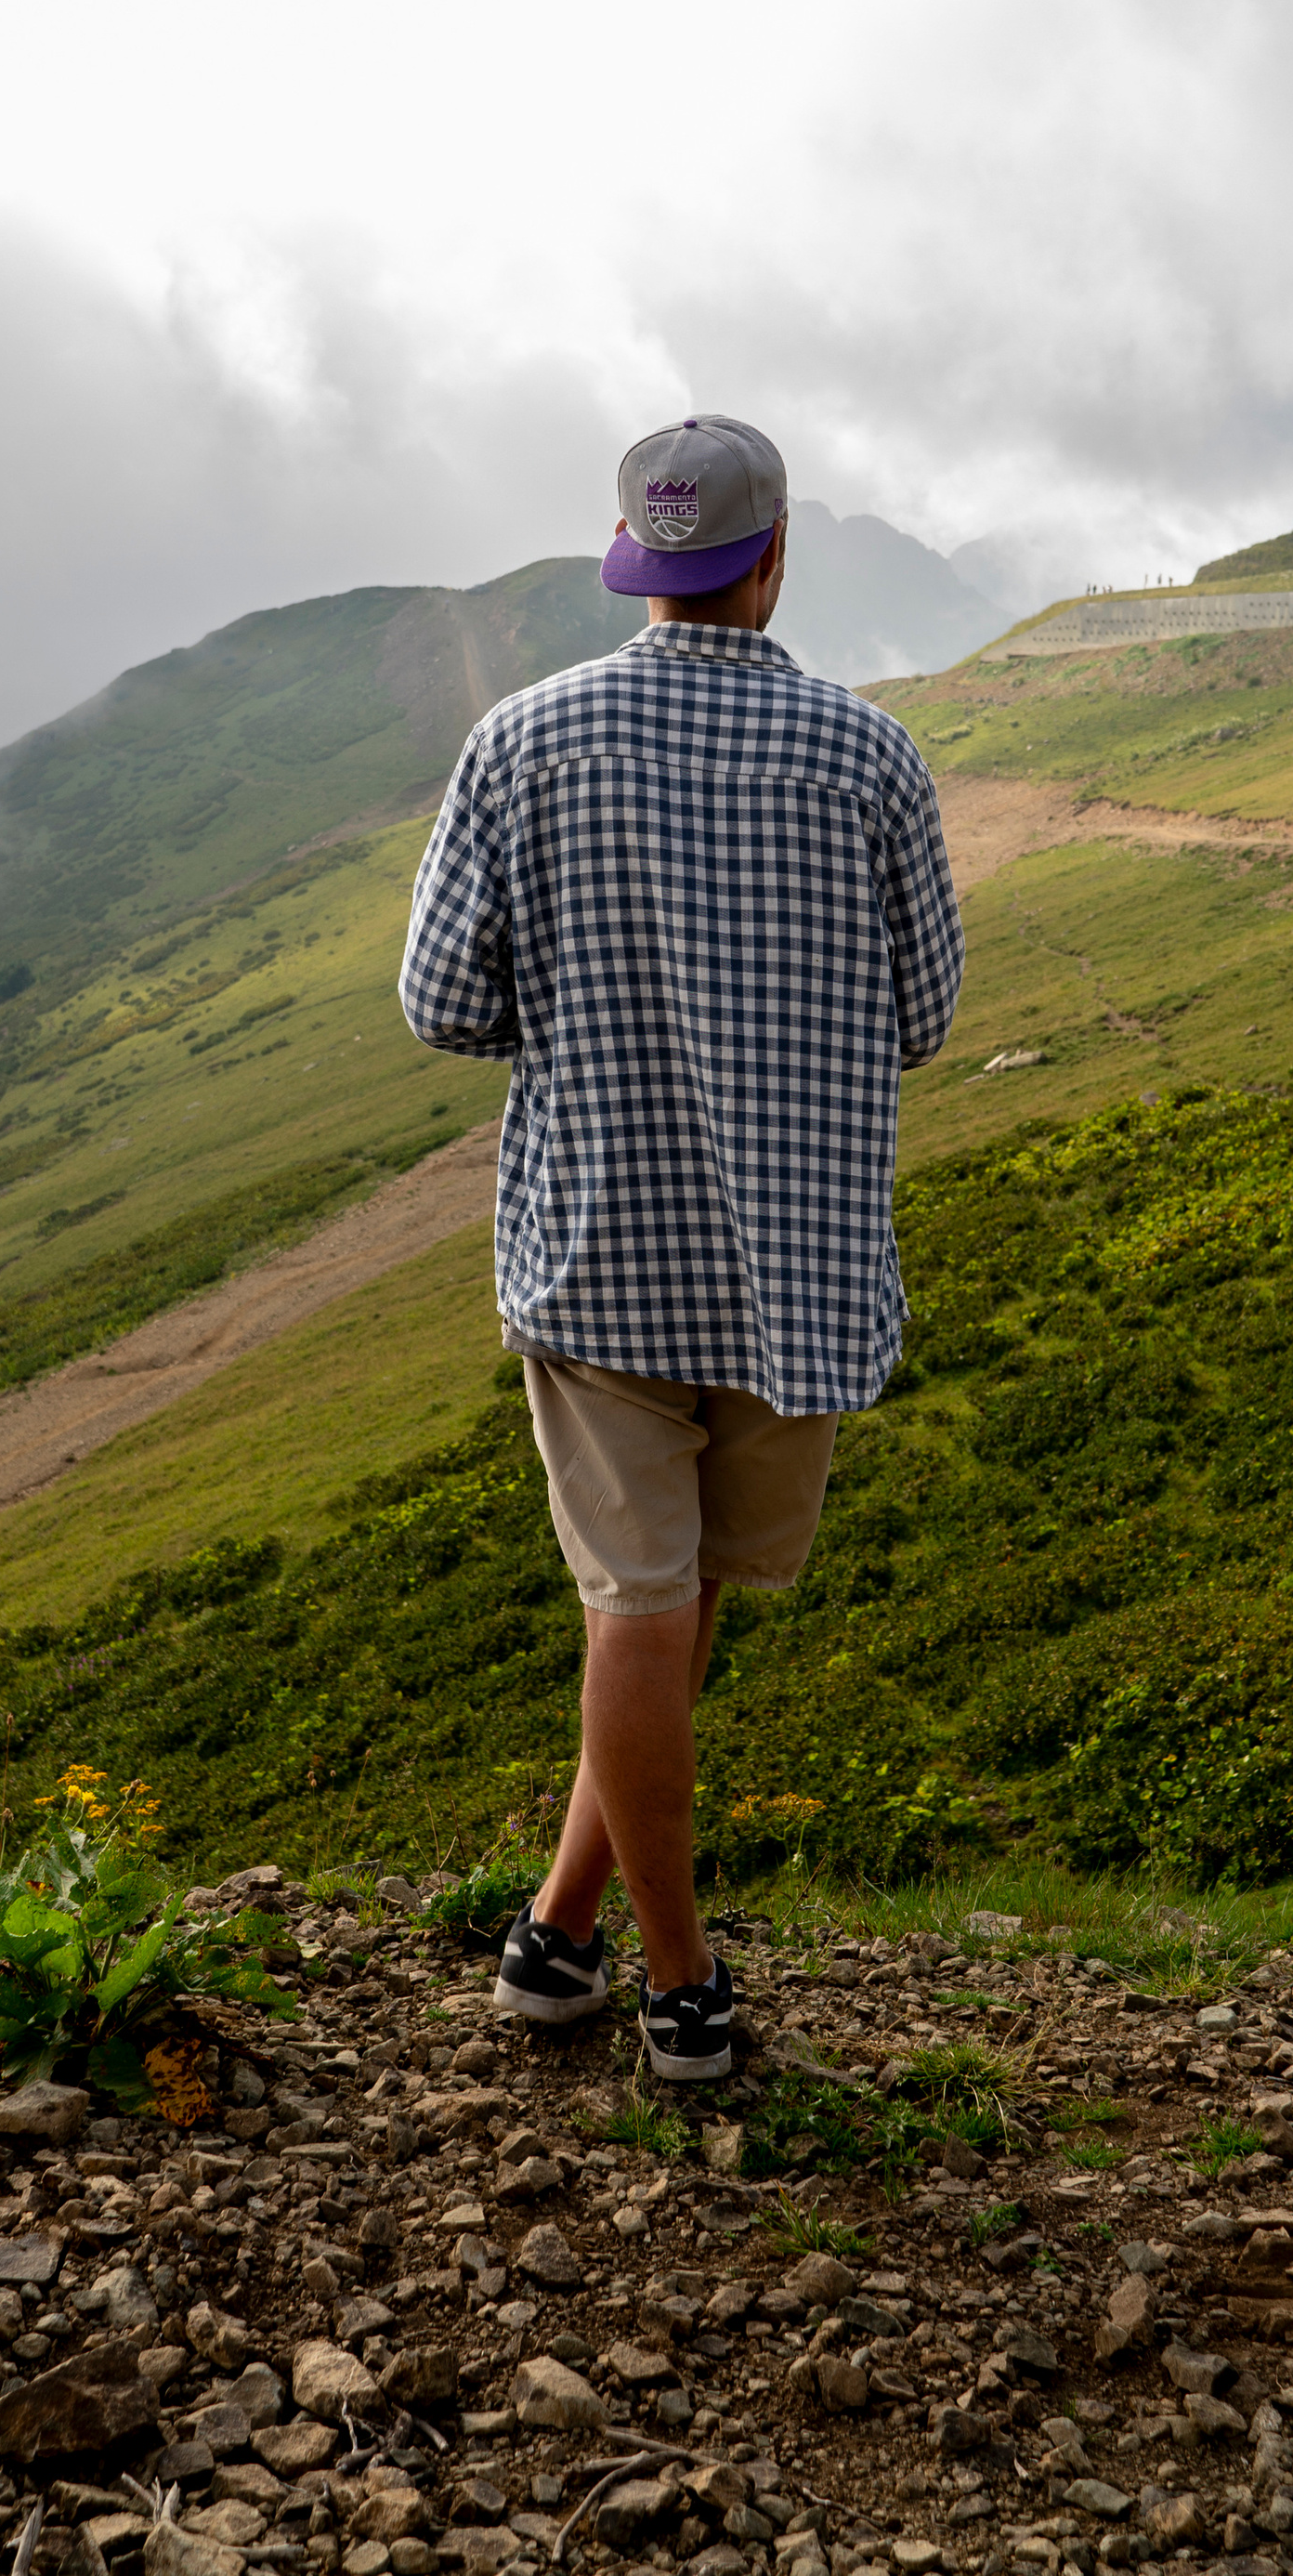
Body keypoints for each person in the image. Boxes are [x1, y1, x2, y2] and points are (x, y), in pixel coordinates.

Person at [398, 414, 963, 2079]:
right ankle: (679, 1986)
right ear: (775, 559)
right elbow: (926, 1015)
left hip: (599, 1252)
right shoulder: (869, 757)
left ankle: (564, 1938)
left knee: (641, 1606)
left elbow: (444, 1002)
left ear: (637, 562)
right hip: (794, 1269)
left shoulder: (522, 742)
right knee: (680, 1600)